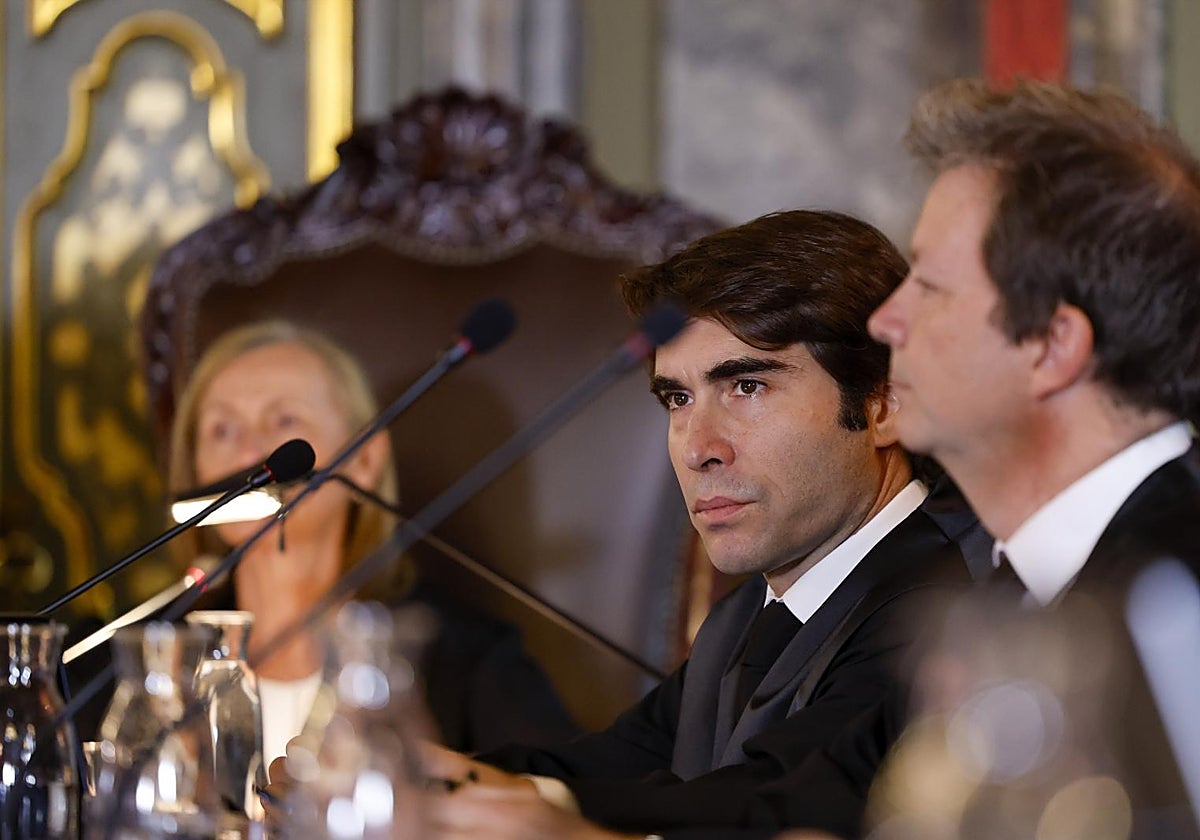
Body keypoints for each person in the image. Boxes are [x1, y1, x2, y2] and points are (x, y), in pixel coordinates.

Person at [422, 209, 979, 839]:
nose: (697, 448)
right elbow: (604, 770)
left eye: (746, 386)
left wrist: (537, 817)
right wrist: (422, 780)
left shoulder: (942, 609)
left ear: (883, 406)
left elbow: (774, 804)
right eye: (678, 399)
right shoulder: (746, 617)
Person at [866, 78, 1200, 836]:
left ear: (1052, 346)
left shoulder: (1175, 596)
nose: (886, 320)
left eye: (931, 286)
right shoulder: (1015, 587)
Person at [169, 320, 580, 762]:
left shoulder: (467, 660)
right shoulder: (147, 664)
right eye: (222, 430)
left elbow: (561, 805)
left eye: (284, 420)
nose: (249, 454)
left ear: (364, 459)